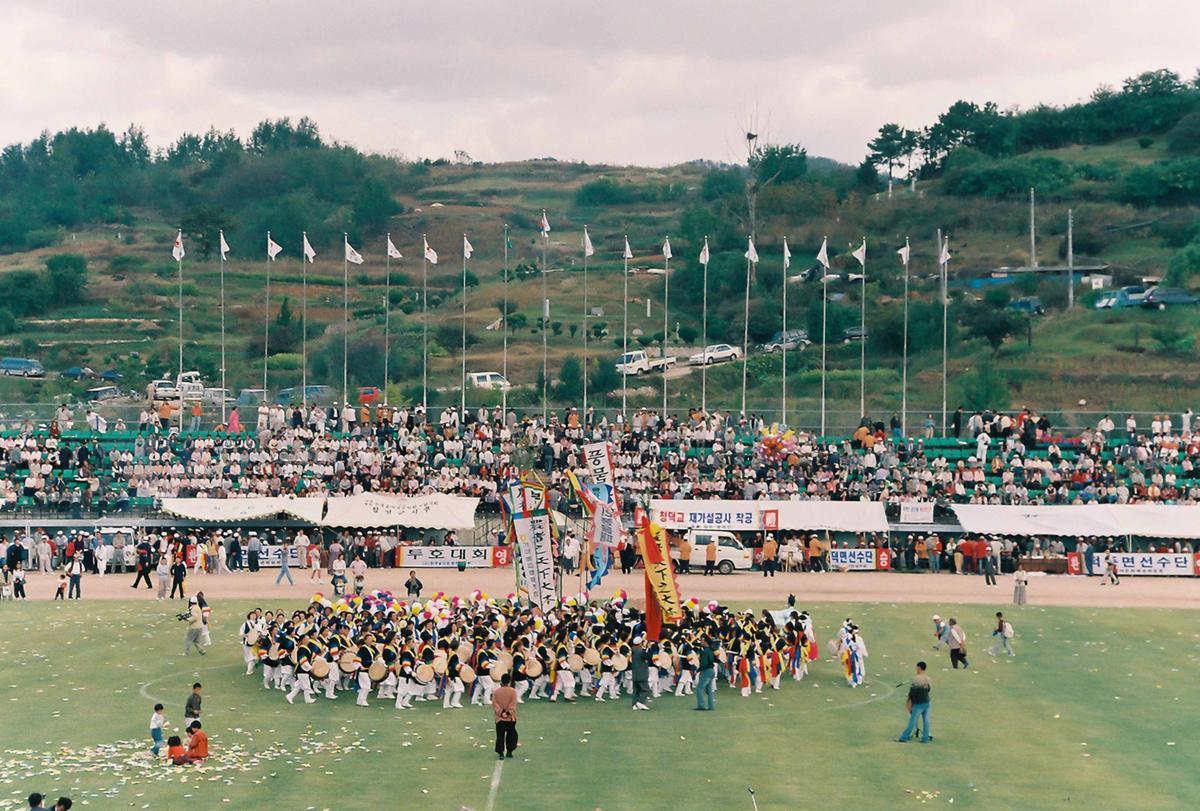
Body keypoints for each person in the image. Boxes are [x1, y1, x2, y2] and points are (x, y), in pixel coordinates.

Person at [896, 661, 932, 743]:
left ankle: (904, 737)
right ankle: (925, 738)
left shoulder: (916, 679)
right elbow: (929, 689)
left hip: (918, 703)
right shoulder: (928, 678)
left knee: (912, 721)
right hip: (926, 702)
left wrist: (908, 703)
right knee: (926, 720)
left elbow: (912, 693)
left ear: (919, 668)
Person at [492, 672, 518, 760]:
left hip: (499, 718)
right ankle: (509, 751)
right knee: (511, 735)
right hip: (510, 718)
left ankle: (500, 752)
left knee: (500, 736)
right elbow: (513, 704)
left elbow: (495, 704)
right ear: (509, 681)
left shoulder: (496, 692)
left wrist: (501, 712)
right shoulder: (513, 691)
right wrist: (508, 713)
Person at [695, 637, 717, 711]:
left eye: (702, 641)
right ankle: (711, 706)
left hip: (706, 671)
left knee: (699, 688)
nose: (701, 642)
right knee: (709, 689)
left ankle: (701, 705)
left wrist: (698, 670)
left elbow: (703, 664)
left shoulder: (705, 652)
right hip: (711, 671)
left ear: (705, 642)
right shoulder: (711, 650)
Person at [629, 636, 651, 711]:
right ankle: (640, 702)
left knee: (636, 690)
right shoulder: (641, 651)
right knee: (645, 689)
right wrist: (648, 648)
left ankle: (634, 704)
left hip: (635, 673)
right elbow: (648, 657)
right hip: (642, 673)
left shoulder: (633, 650)